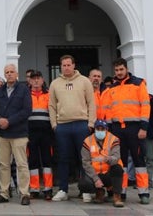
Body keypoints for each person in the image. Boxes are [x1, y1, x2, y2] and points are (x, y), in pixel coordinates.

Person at [48, 55, 96, 202]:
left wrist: (91, 124)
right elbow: (51, 105)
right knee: (63, 159)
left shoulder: (84, 81)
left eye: (69, 65)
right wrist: (54, 125)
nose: (66, 68)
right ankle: (63, 189)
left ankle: (85, 190)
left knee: (84, 159)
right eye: (63, 65)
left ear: (74, 65)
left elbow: (91, 103)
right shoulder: (55, 83)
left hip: (81, 125)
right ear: (61, 66)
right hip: (62, 126)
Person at [103, 58, 150, 204]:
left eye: (121, 69)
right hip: (117, 129)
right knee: (119, 162)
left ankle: (144, 193)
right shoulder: (111, 87)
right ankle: (121, 192)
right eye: (116, 70)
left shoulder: (138, 83)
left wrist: (143, 127)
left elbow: (145, 105)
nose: (119, 72)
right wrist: (109, 129)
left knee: (139, 160)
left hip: (135, 128)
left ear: (126, 69)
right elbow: (109, 109)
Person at [0, 63, 32, 206]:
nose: (9, 74)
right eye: (7, 72)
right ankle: (4, 192)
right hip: (2, 134)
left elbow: (27, 111)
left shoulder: (24, 89)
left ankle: (24, 193)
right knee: (4, 164)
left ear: (17, 74)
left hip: (19, 133)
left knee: (22, 164)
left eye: (11, 72)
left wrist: (9, 121)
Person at [79, 120, 125, 208]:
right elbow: (85, 162)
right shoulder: (87, 141)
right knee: (83, 184)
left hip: (109, 172)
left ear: (106, 129)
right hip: (95, 173)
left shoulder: (113, 139)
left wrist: (108, 159)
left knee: (118, 169)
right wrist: (96, 179)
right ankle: (99, 192)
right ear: (94, 129)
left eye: (102, 129)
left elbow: (116, 157)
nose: (100, 131)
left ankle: (117, 196)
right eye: (98, 129)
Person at [27, 70, 54, 200]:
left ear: (42, 80)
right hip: (30, 133)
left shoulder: (49, 95)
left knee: (47, 160)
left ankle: (48, 189)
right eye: (33, 79)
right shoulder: (26, 95)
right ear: (30, 81)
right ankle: (34, 189)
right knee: (32, 161)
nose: (36, 81)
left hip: (46, 133)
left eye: (38, 78)